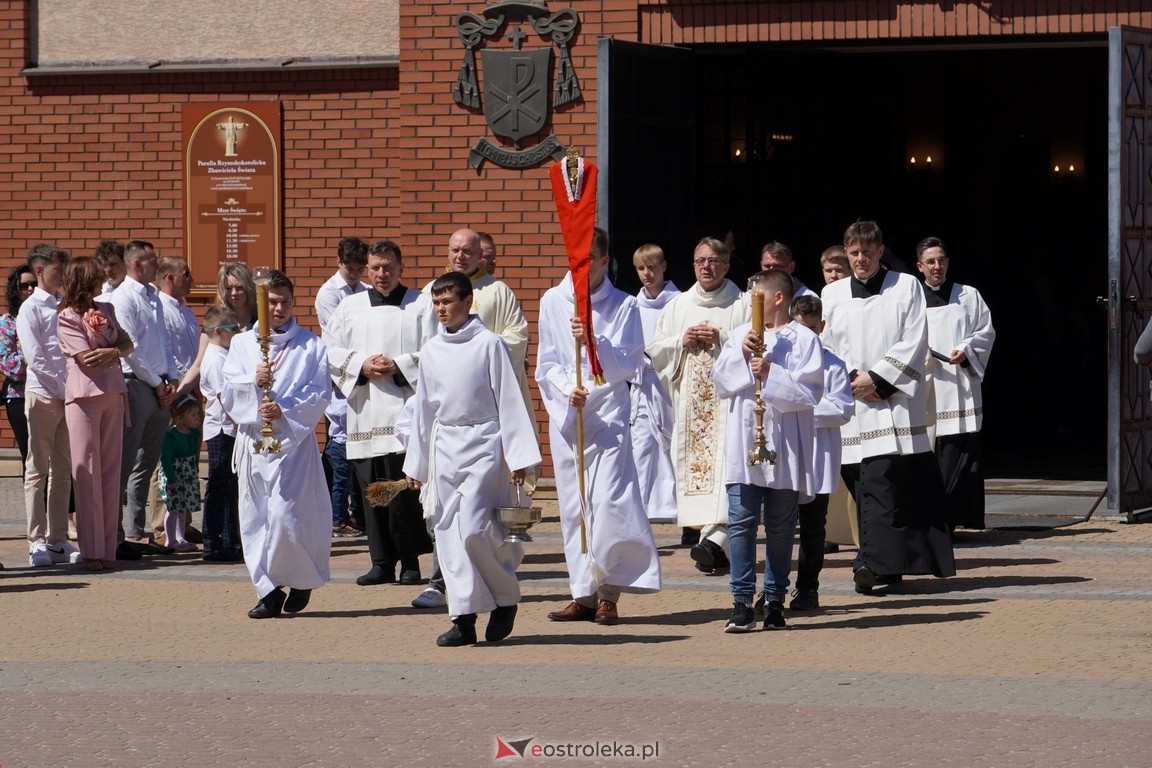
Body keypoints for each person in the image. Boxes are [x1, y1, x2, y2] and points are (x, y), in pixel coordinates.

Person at [403, 271, 541, 646]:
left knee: (476, 528)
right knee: (448, 534)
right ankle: (463, 619)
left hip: (485, 442)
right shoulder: (430, 350)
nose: (442, 309)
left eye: (448, 302)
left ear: (467, 303)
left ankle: (504, 599)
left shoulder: (490, 344)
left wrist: (518, 457)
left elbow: (509, 399)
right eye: (437, 303)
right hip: (445, 445)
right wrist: (417, 464)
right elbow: (424, 410)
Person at [821, 221, 955, 594]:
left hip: (890, 402)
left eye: (867, 252)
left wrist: (879, 379)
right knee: (860, 482)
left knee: (881, 484)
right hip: (851, 402)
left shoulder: (905, 286)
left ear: (881, 251)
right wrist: (851, 378)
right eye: (854, 253)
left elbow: (916, 336)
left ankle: (871, 563)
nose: (860, 259)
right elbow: (825, 342)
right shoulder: (831, 294)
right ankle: (887, 563)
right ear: (846, 254)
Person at [537, 227, 662, 625]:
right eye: (574, 255)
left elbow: (629, 363)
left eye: (588, 257)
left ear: (604, 260)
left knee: (608, 503)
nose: (580, 263)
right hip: (571, 412)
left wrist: (593, 342)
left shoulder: (624, 305)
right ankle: (583, 594)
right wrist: (565, 389)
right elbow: (547, 363)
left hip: (608, 415)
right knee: (574, 507)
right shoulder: (552, 300)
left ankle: (609, 593)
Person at [713, 269, 823, 632]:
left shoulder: (803, 339)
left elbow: (810, 393)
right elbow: (721, 384)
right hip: (745, 443)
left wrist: (772, 372)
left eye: (755, 291)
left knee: (779, 528)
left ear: (776, 297)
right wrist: (742, 357)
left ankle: (774, 600)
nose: (750, 297)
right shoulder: (740, 336)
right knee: (741, 524)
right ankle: (741, 602)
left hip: (785, 445)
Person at [220, 270, 332, 618]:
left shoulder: (310, 345)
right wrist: (252, 384)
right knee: (256, 518)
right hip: (255, 441)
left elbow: (319, 392)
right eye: (272, 302)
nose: (279, 308)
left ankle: (300, 579)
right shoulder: (242, 344)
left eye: (285, 301)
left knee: (287, 516)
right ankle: (267, 590)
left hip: (292, 444)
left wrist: (284, 409)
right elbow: (226, 389)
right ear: (261, 304)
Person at [324, 239, 433, 587]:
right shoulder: (349, 307)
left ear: (401, 268)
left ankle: (411, 563)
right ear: (367, 270)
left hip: (404, 412)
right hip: (366, 411)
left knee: (403, 490)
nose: (382, 274)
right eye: (375, 268)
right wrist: (360, 365)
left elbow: (434, 349)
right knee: (371, 490)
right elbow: (330, 348)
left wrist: (399, 366)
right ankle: (381, 562)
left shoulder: (420, 304)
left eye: (388, 267)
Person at [647, 237, 747, 571]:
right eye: (701, 260)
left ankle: (714, 543)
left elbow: (757, 344)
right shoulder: (677, 306)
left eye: (714, 261)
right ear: (693, 265)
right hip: (691, 409)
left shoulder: (744, 303)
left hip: (729, 410)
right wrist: (681, 341)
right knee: (697, 472)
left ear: (726, 265)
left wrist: (723, 338)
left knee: (725, 473)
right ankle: (714, 545)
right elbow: (656, 351)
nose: (707, 266)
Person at [56, 256, 133, 571]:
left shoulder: (108, 309)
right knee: (87, 472)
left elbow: (128, 343)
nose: (101, 282)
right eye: (95, 278)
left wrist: (113, 351)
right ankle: (91, 550)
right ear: (83, 281)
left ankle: (107, 548)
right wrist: (110, 347)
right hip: (84, 397)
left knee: (111, 471)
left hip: (114, 393)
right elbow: (86, 359)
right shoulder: (67, 317)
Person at [916, 236, 996, 530]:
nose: (937, 266)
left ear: (948, 262)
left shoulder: (968, 295)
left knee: (957, 451)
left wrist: (966, 350)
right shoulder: (911, 300)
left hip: (959, 383)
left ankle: (953, 517)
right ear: (920, 266)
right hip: (927, 385)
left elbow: (985, 331)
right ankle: (934, 519)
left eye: (941, 260)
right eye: (931, 261)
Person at [111, 240, 178, 550]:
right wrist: (156, 383)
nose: (158, 265)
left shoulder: (155, 297)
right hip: (137, 384)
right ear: (137, 264)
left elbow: (164, 343)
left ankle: (137, 529)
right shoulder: (122, 298)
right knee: (124, 462)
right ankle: (114, 533)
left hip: (160, 386)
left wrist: (172, 380)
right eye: (153, 260)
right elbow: (131, 349)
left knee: (146, 463)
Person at [788, 295, 854, 610]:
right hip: (788, 457)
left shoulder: (834, 365)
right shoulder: (781, 363)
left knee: (814, 528)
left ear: (822, 327)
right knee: (781, 526)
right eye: (802, 328)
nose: (808, 335)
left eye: (814, 328)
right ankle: (774, 587)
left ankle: (807, 588)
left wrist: (799, 408)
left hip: (817, 459)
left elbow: (841, 408)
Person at [16, 244, 80, 567]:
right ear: (40, 271)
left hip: (65, 395)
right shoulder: (30, 309)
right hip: (43, 394)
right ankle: (35, 540)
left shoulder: (62, 306)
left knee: (63, 470)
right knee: (37, 469)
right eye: (57, 270)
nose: (62, 276)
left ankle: (58, 538)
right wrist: (62, 389)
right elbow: (36, 358)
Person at [315, 237, 370, 539]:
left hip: (363, 370)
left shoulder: (366, 290)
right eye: (351, 269)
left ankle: (356, 511)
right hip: (340, 373)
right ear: (339, 262)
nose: (355, 275)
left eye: (360, 269)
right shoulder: (328, 293)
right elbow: (341, 333)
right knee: (338, 449)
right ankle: (336, 515)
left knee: (357, 446)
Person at [150, 256, 201, 544]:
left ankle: (182, 522)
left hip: (191, 393)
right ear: (170, 278)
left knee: (188, 461)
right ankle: (161, 526)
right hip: (172, 392)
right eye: (186, 274)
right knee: (166, 461)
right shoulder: (160, 308)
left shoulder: (186, 311)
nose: (191, 279)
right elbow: (165, 351)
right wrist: (174, 388)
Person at [631, 243, 678, 522]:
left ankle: (680, 512)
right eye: (640, 268)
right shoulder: (631, 304)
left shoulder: (680, 301)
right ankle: (641, 511)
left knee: (673, 444)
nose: (646, 274)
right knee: (642, 447)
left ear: (663, 267)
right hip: (642, 384)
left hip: (670, 383)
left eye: (651, 267)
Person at [198, 305, 243, 562]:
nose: (236, 333)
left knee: (229, 486)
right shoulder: (214, 359)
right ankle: (211, 542)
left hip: (230, 428)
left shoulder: (224, 354)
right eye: (232, 329)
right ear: (218, 331)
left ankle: (229, 540)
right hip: (222, 429)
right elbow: (224, 398)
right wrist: (241, 422)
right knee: (218, 485)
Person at [1, 265, 35, 470]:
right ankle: (33, 502)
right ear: (15, 289)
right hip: (19, 396)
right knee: (29, 455)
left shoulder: (51, 317)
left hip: (51, 393)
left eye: (34, 284)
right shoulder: (7, 323)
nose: (30, 289)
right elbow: (7, 362)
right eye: (24, 285)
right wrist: (37, 361)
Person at [159, 395, 203, 553]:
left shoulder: (194, 434)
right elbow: (165, 458)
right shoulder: (171, 436)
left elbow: (193, 455)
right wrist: (171, 478)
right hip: (175, 475)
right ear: (180, 418)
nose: (197, 418)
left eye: (198, 414)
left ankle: (181, 537)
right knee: (173, 507)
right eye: (193, 415)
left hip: (188, 475)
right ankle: (170, 540)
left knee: (184, 507)